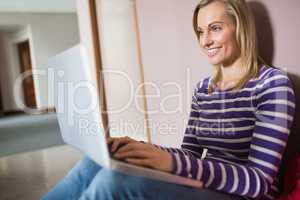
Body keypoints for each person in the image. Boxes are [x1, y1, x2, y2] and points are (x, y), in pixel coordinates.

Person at [42, 0, 295, 199]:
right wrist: (143, 149)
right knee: (94, 163)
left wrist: (171, 163)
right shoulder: (204, 89)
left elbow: (260, 182)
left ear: (240, 28)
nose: (205, 40)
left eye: (215, 28)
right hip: (205, 184)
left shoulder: (272, 85)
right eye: (200, 31)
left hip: (243, 196)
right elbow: (190, 154)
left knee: (113, 183)